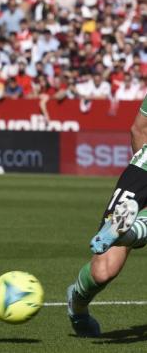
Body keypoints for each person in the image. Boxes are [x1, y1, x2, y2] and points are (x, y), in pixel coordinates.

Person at [66, 95, 147, 337]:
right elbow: (139, 129)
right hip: (143, 168)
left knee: (124, 235)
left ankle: (125, 232)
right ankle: (77, 305)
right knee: (103, 271)